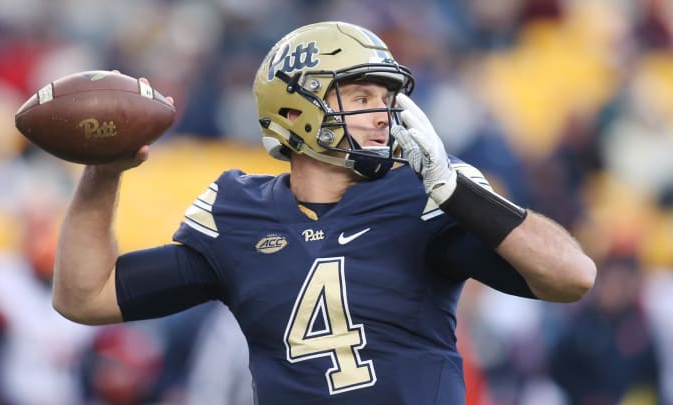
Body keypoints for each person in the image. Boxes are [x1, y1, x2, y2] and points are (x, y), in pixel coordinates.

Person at [52, 21, 596, 404]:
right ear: (294, 109)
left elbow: (571, 277)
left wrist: (452, 188)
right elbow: (85, 296)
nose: (383, 115)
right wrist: (104, 172)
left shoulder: (423, 195)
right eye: (360, 98)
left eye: (385, 98)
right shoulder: (239, 214)